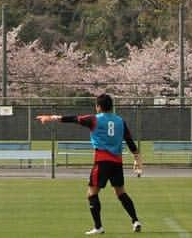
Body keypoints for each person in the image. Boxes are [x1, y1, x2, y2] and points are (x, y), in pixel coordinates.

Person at [38, 93, 143, 235]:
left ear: (98, 107)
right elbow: (129, 140)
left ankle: (98, 227)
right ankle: (135, 220)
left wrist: (51, 118)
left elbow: (74, 119)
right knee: (120, 192)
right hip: (117, 162)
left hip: (102, 161)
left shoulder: (94, 119)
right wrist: (137, 156)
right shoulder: (120, 121)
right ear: (111, 106)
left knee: (91, 193)